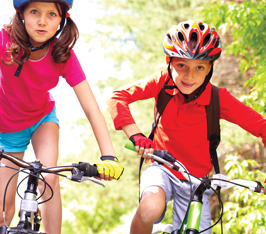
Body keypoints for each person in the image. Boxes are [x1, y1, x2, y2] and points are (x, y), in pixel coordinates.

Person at [0, 0, 124, 234]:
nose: (42, 21)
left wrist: (108, 155)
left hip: (42, 119)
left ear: (62, 19)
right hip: (8, 129)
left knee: (49, 178)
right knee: (2, 209)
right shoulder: (3, 38)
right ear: (21, 13)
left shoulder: (62, 54)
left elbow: (90, 106)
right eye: (35, 12)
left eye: (51, 14)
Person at [107, 20, 266, 234]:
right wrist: (136, 135)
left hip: (197, 183)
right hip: (162, 167)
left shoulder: (218, 99)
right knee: (149, 209)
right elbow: (118, 97)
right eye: (181, 66)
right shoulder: (162, 83)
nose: (189, 76)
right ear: (169, 61)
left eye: (199, 68)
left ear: (210, 68)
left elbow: (262, 127)